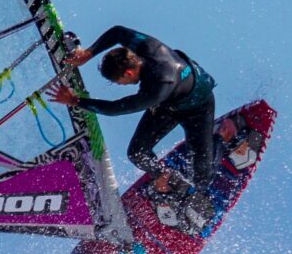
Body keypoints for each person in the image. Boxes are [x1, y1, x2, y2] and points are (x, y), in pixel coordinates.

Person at [49, 26, 218, 226]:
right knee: (137, 153)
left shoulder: (157, 88)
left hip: (198, 107)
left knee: (201, 172)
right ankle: (163, 176)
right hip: (170, 104)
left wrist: (76, 101)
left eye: (119, 82)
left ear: (128, 72)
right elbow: (118, 31)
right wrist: (88, 53)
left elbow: (116, 108)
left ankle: (202, 195)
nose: (120, 85)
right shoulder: (149, 48)